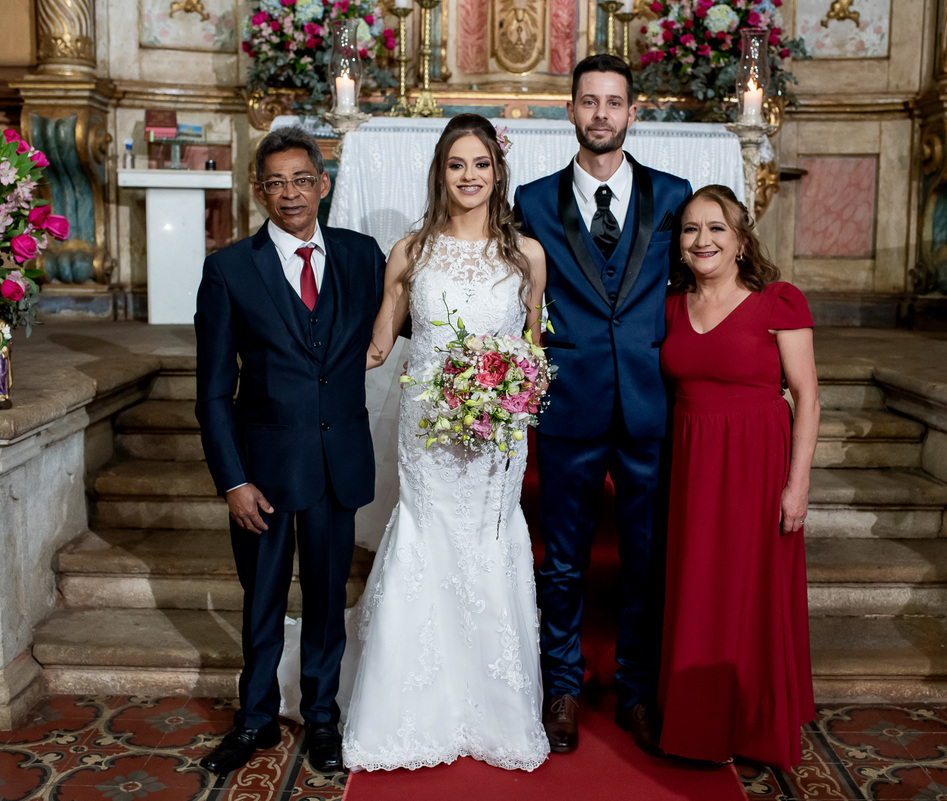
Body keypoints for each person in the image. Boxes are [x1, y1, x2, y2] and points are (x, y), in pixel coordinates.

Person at [335, 113, 550, 772]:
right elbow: (377, 342)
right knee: (428, 537)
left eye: (480, 164)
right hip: (428, 431)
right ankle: (406, 705)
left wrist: (514, 390)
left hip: (496, 440)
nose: (469, 176)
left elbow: (532, 349)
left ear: (497, 171)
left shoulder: (527, 256)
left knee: (488, 540)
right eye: (457, 164)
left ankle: (494, 706)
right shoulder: (410, 252)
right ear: (439, 172)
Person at [512, 54, 691, 755]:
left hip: (650, 405)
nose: (601, 115)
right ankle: (562, 683)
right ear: (571, 111)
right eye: (589, 102)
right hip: (569, 405)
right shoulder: (529, 200)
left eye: (614, 103)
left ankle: (638, 689)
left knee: (647, 559)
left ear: (633, 113)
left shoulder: (675, 197)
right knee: (563, 559)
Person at [193, 126, 386, 776]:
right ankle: (254, 717)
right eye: (275, 182)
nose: (289, 193)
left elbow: (420, 313)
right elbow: (214, 391)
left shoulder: (363, 256)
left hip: (338, 464)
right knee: (264, 601)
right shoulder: (228, 270)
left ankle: (323, 716)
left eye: (302, 179)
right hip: (264, 470)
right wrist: (232, 480)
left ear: (323, 184)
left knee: (329, 598)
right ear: (258, 191)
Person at [657, 184, 818, 771]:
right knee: (699, 590)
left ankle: (754, 726)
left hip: (756, 464)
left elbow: (807, 397)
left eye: (717, 228)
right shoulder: (671, 307)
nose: (704, 240)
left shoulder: (779, 301)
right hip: (693, 463)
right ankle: (697, 724)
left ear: (742, 240)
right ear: (679, 246)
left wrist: (796, 485)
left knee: (753, 595)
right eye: (692, 229)